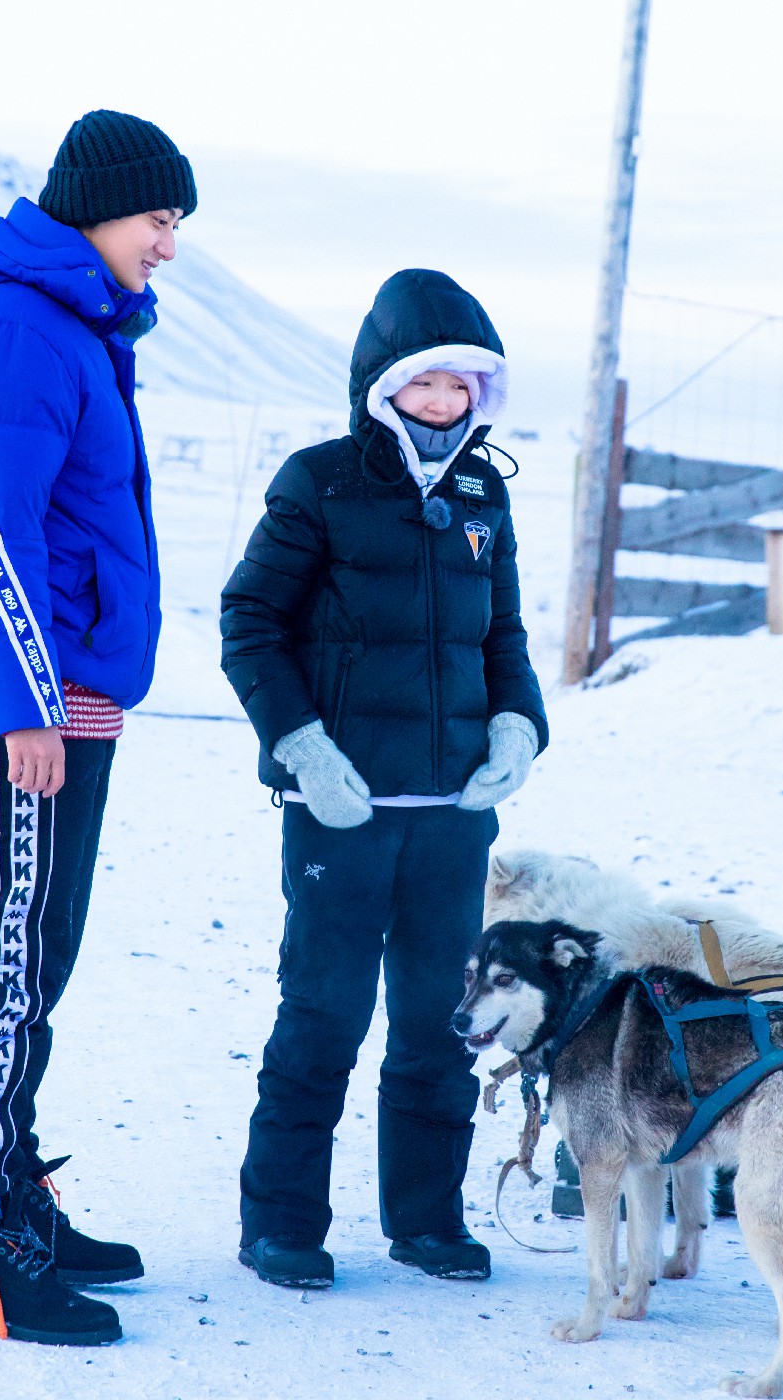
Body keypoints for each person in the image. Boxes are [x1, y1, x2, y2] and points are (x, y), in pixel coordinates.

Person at [0, 109, 195, 1347]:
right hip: (21, 698)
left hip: (67, 689)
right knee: (7, 958)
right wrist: (28, 706)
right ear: (98, 210)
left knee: (39, 954)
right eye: (159, 220)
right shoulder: (14, 323)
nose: (168, 247)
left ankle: (13, 1183)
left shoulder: (70, 320)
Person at [220, 267, 548, 1290]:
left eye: (463, 388)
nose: (445, 405)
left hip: (452, 817)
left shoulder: (485, 493)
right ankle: (281, 1224)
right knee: (322, 1012)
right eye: (426, 385)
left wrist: (518, 727)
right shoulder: (317, 482)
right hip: (341, 810)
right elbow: (251, 625)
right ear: (382, 384)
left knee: (438, 1020)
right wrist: (303, 749)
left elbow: (503, 635)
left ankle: (426, 1219)